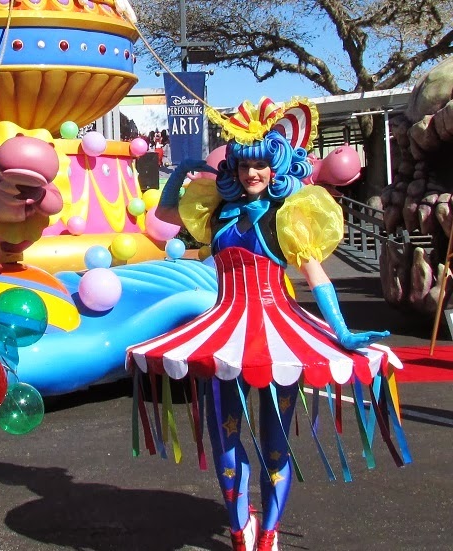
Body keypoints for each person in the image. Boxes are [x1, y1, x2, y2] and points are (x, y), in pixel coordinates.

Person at [127, 98, 410, 551]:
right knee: (226, 438)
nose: (251, 174)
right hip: (223, 333)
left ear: (275, 167)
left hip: (279, 335)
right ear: (234, 169)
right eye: (244, 166)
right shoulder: (217, 212)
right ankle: (242, 531)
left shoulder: (287, 216)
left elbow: (316, 277)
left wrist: (341, 330)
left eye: (260, 165)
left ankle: (269, 534)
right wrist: (180, 173)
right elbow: (163, 217)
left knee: (276, 444)